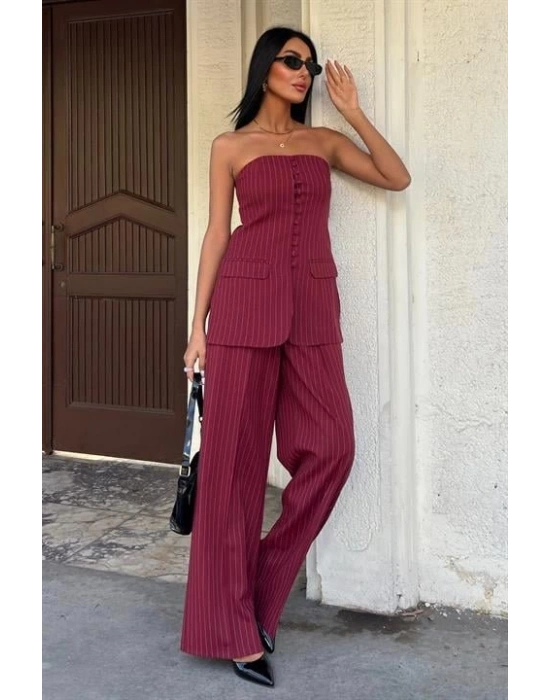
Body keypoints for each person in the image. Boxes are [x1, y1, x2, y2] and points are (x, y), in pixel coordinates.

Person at [179, 26, 411, 688]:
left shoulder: (322, 142)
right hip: (242, 310)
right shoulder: (230, 146)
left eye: (308, 63)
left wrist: (354, 111)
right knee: (233, 471)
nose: (303, 71)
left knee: (334, 447)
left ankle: (259, 585)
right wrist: (198, 327)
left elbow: (396, 177)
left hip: (311, 310)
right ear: (265, 69)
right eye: (291, 60)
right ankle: (232, 631)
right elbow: (216, 235)